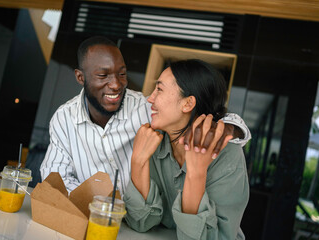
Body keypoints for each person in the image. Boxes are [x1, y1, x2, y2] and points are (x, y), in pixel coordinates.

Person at [40, 36, 251, 195]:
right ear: (80, 77)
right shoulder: (64, 118)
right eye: (103, 75)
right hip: (89, 217)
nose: (116, 84)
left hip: (141, 224)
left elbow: (196, 112)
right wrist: (100, 204)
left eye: (122, 74)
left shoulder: (144, 107)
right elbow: (54, 177)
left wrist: (227, 128)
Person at [123, 59, 249, 239]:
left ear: (188, 103)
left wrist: (196, 173)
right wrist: (138, 161)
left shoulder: (227, 157)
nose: (150, 98)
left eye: (159, 89)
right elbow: (142, 222)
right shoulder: (154, 140)